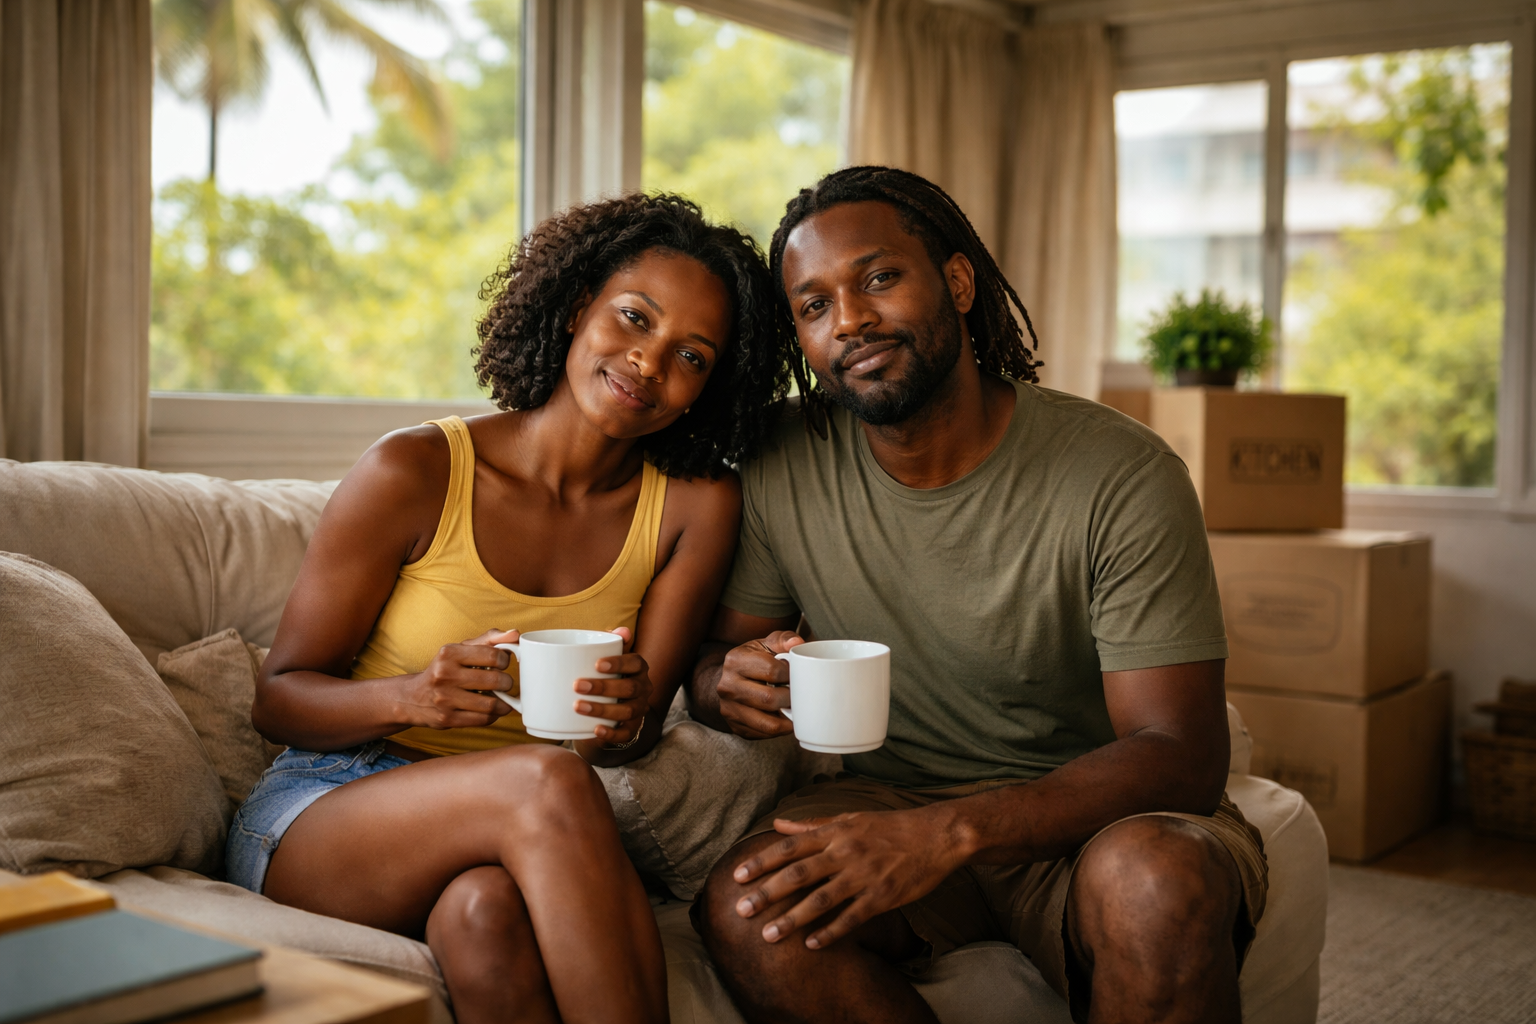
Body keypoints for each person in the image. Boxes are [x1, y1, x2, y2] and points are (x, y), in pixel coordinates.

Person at [689, 166, 1266, 1024]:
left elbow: (1181, 752)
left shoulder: (1122, 473)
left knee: (1156, 883)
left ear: (956, 283)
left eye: (878, 277)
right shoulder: (785, 460)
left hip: (1097, 817)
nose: (848, 320)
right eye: (813, 307)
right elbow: (715, 665)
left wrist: (947, 834)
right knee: (749, 901)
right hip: (888, 797)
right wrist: (724, 683)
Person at [229, 194, 795, 1024]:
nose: (647, 362)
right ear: (576, 310)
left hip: (517, 834)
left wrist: (619, 713)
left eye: (692, 356)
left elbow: (629, 736)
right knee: (543, 778)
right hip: (331, 804)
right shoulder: (416, 469)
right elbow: (278, 696)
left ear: (708, 388)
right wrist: (408, 696)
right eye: (633, 319)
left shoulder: (695, 506)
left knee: (483, 914)